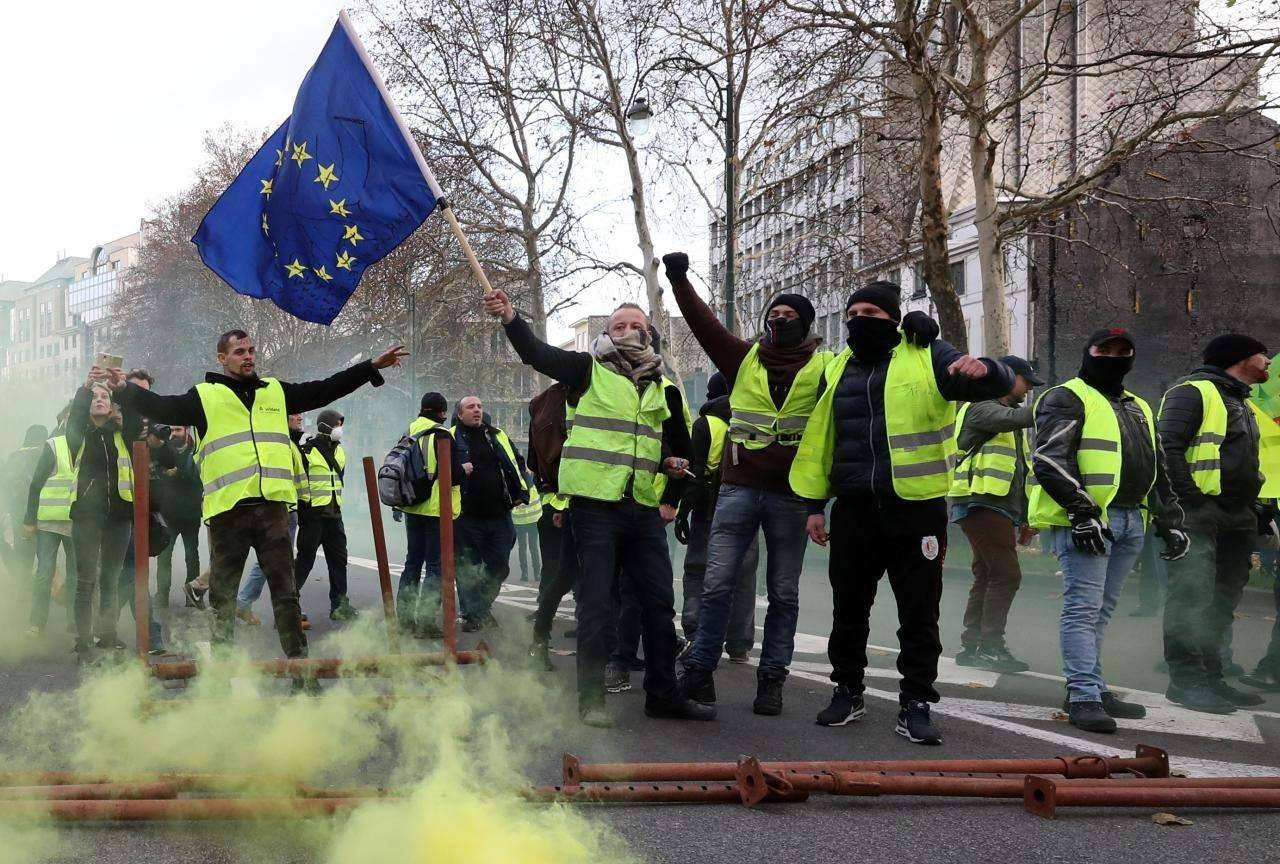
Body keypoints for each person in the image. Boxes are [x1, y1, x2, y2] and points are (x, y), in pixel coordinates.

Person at [103, 330, 406, 675]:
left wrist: (369, 367)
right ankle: (222, 673)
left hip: (273, 509)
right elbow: (161, 405)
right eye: (239, 352)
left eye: (251, 350)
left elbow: (325, 388)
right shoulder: (205, 396)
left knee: (286, 593)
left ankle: (300, 670)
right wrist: (124, 390)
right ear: (222, 358)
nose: (248, 356)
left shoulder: (275, 392)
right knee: (223, 597)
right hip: (228, 511)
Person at [792, 281, 1013, 745]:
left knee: (919, 612)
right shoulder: (836, 369)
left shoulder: (925, 354)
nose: (859, 318)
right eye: (852, 311)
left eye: (871, 310)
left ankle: (915, 702)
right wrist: (815, 506)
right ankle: (847, 690)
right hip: (854, 509)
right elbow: (823, 440)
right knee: (848, 608)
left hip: (917, 510)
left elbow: (985, 383)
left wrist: (985, 366)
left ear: (894, 317)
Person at [483, 287, 713, 727]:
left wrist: (670, 488)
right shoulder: (586, 370)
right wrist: (511, 316)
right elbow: (536, 354)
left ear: (650, 335)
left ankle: (663, 695)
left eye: (637, 326)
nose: (629, 332)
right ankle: (591, 699)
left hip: (642, 508)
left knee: (659, 603)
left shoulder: (664, 389)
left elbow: (679, 449)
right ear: (605, 334)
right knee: (596, 603)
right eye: (619, 326)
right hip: (594, 507)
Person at [1028, 328, 1188, 733]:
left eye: (1124, 351)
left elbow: (1157, 467)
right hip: (1090, 520)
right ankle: (1083, 694)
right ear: (1088, 352)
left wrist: (1169, 521)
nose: (1114, 357)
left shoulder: (1138, 406)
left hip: (1131, 517)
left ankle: (1092, 687)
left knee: (1101, 610)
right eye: (1105, 350)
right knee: (1083, 609)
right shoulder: (1066, 397)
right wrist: (1082, 512)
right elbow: (1049, 458)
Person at [1158, 334, 1271, 713]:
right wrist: (1191, 501)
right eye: (1262, 354)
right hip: (1200, 513)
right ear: (1239, 358)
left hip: (1237, 514)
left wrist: (1254, 507)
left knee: (1222, 601)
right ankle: (1186, 681)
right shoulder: (1192, 392)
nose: (1268, 361)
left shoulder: (1239, 400)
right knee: (1191, 597)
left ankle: (1212, 678)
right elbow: (1167, 447)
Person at [950, 355, 1043, 673]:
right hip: (981, 502)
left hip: (994, 505)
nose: (1029, 387)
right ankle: (990, 647)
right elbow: (1015, 421)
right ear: (1006, 376)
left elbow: (1019, 469)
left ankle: (973, 646)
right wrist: (1059, 407)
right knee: (1006, 575)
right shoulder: (981, 406)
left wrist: (1025, 516)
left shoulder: (1004, 412)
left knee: (989, 574)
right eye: (1026, 380)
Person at [675, 371, 758, 666]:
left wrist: (684, 510)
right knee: (744, 577)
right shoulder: (752, 417)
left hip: (709, 510)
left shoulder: (705, 424)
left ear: (710, 395)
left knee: (698, 571)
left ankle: (696, 633)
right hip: (748, 506)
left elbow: (694, 474)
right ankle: (739, 644)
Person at [65, 379, 139, 663]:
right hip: (86, 516)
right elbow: (73, 418)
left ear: (111, 406)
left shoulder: (122, 435)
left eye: (104, 396)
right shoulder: (79, 435)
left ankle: (107, 635)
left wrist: (119, 387)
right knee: (85, 581)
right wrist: (83, 389)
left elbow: (133, 418)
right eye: (94, 397)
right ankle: (82, 640)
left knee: (110, 579)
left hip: (119, 517)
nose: (99, 399)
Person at [451, 396, 527, 630]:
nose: (477, 410)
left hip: (499, 514)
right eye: (471, 407)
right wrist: (459, 471)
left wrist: (521, 491)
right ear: (460, 413)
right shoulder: (450, 437)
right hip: (466, 517)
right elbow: (440, 472)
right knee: (467, 569)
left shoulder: (497, 435)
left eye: (479, 407)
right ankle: (473, 615)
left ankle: (479, 608)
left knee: (500, 566)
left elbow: (516, 462)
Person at [397, 392, 464, 639]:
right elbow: (454, 474)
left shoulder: (409, 431)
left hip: (412, 507)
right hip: (436, 508)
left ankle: (404, 620)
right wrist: (465, 469)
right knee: (436, 566)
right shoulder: (443, 435)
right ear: (443, 413)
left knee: (412, 563)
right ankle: (426, 621)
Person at [236, 413, 310, 626]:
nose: (300, 418)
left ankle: (245, 603)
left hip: (288, 509)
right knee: (279, 563)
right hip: (281, 510)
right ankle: (287, 616)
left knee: (271, 561)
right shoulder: (279, 443)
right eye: (294, 414)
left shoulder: (290, 442)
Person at [294, 409, 357, 621]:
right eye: (337, 424)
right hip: (313, 516)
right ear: (325, 426)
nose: (340, 428)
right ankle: (287, 606)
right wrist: (303, 511)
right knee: (305, 561)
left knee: (339, 561)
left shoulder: (340, 452)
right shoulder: (307, 451)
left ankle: (340, 606)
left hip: (334, 516)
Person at [22, 424, 77, 635]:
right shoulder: (54, 446)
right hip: (48, 523)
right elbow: (36, 483)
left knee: (75, 574)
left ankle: (74, 621)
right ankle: (36, 624)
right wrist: (30, 519)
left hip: (76, 523)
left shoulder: (92, 444)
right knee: (45, 573)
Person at [155, 426, 202, 609]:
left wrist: (178, 472)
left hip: (190, 514)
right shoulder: (165, 450)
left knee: (192, 556)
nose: (174, 434)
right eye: (172, 430)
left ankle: (193, 598)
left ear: (187, 431)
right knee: (164, 556)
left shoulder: (196, 451)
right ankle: (162, 596)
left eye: (178, 430)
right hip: (168, 514)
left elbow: (198, 477)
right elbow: (157, 473)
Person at [3, 424, 49, 590]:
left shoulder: (14, 457)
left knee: (24, 555)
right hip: (41, 512)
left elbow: (6, 486)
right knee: (45, 555)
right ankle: (42, 590)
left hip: (18, 514)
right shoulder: (42, 455)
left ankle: (22, 591)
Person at [511, 467, 543, 582]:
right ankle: (537, 574)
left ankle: (524, 574)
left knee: (522, 548)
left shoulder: (515, 482)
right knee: (533, 547)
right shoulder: (531, 480)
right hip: (533, 519)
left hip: (519, 521)